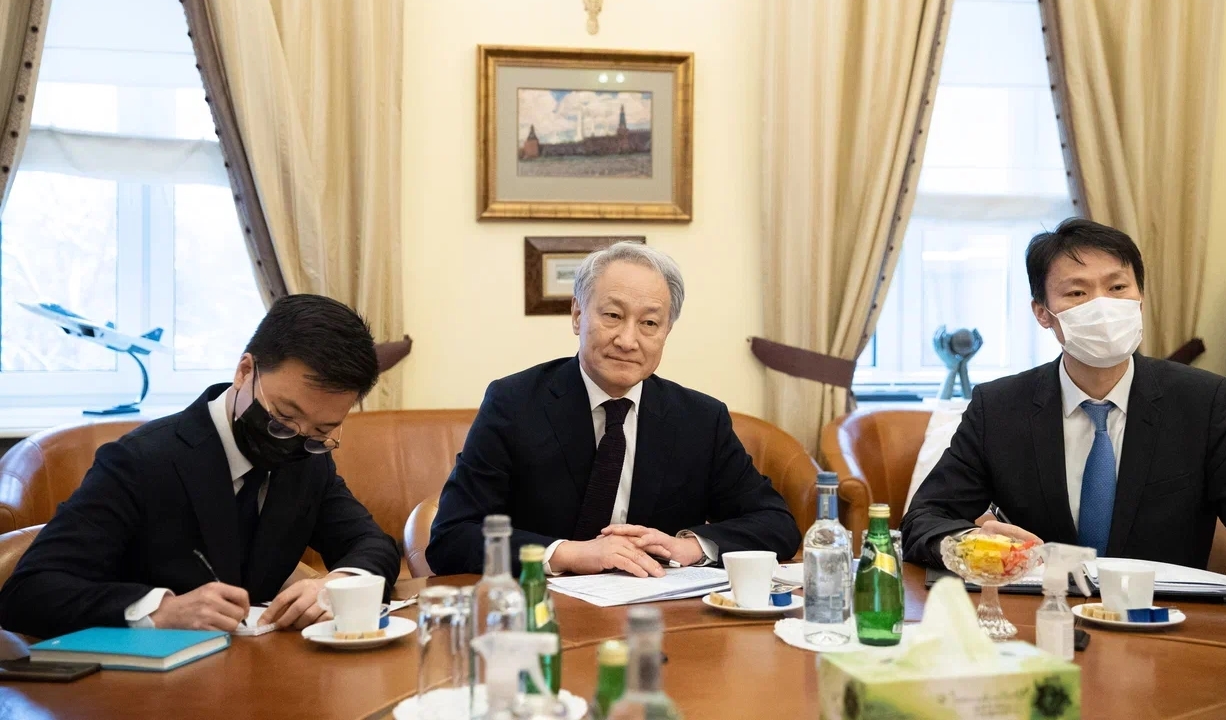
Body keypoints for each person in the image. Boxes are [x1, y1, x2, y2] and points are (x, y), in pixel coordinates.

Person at [0, 295, 401, 639]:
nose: (294, 439)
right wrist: (160, 611)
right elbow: (29, 592)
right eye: (282, 417)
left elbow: (372, 545)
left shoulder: (309, 461)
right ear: (245, 371)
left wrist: (338, 585)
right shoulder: (141, 461)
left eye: (321, 430)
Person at [901, 218, 1226, 578]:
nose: (1102, 306)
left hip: (1164, 614)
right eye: (1077, 293)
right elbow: (924, 519)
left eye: (1117, 288)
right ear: (1042, 313)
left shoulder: (1203, 402)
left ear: (1140, 299)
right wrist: (972, 543)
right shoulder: (999, 408)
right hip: (1040, 612)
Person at [427, 242, 801, 577]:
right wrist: (568, 554)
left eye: (649, 323)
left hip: (657, 612)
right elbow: (452, 537)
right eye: (613, 316)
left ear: (667, 331)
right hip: (541, 610)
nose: (627, 340)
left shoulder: (700, 420)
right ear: (578, 315)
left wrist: (689, 547)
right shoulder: (513, 404)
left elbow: (776, 523)